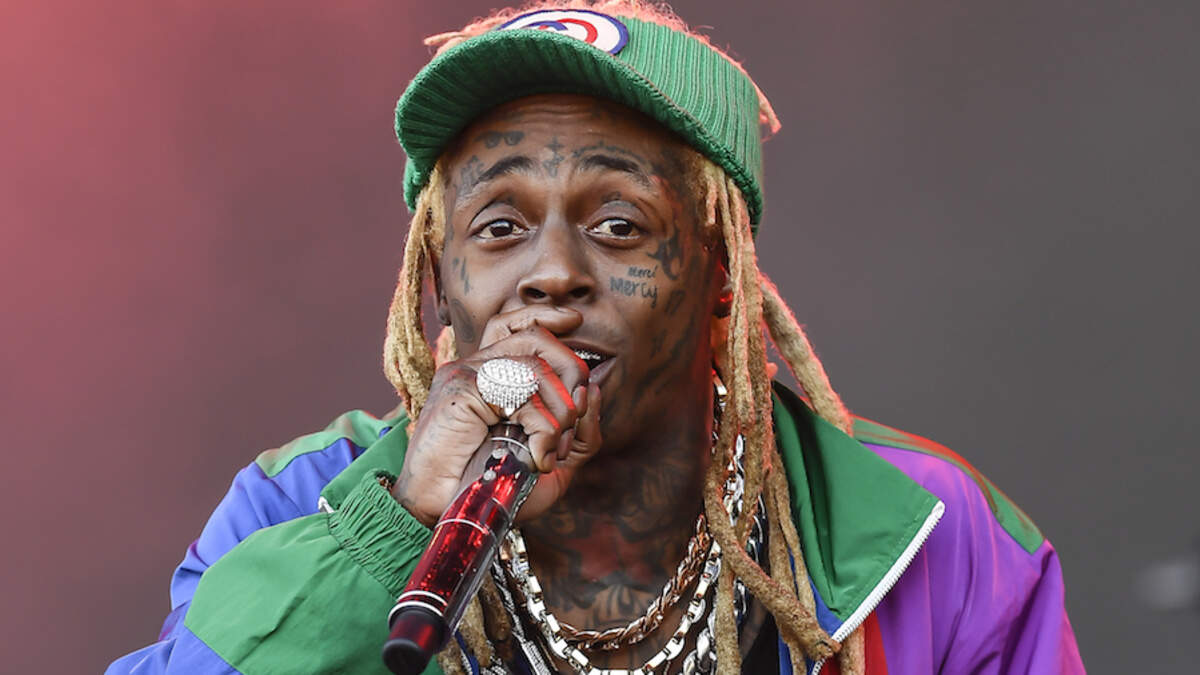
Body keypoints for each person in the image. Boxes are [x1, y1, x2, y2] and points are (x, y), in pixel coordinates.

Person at [107, 2, 1085, 673]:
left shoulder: (937, 536)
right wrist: (393, 532)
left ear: (722, 276)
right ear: (438, 280)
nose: (552, 273)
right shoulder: (294, 506)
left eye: (618, 223)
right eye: (499, 226)